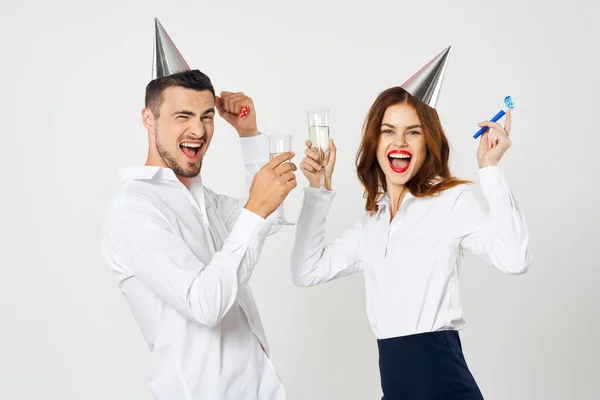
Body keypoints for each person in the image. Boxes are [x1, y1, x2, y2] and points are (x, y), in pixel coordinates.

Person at [290, 47, 532, 399]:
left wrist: (490, 169)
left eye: (413, 132)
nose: (399, 142)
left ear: (427, 142)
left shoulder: (449, 201)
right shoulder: (372, 222)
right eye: (389, 131)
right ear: (376, 143)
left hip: (443, 384)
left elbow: (515, 259)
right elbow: (306, 270)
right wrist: (318, 191)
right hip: (396, 387)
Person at [101, 19, 295, 399]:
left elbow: (265, 216)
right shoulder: (134, 212)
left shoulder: (202, 200)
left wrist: (249, 134)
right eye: (182, 117)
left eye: (206, 116)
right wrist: (257, 210)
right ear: (148, 119)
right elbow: (205, 304)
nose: (199, 130)